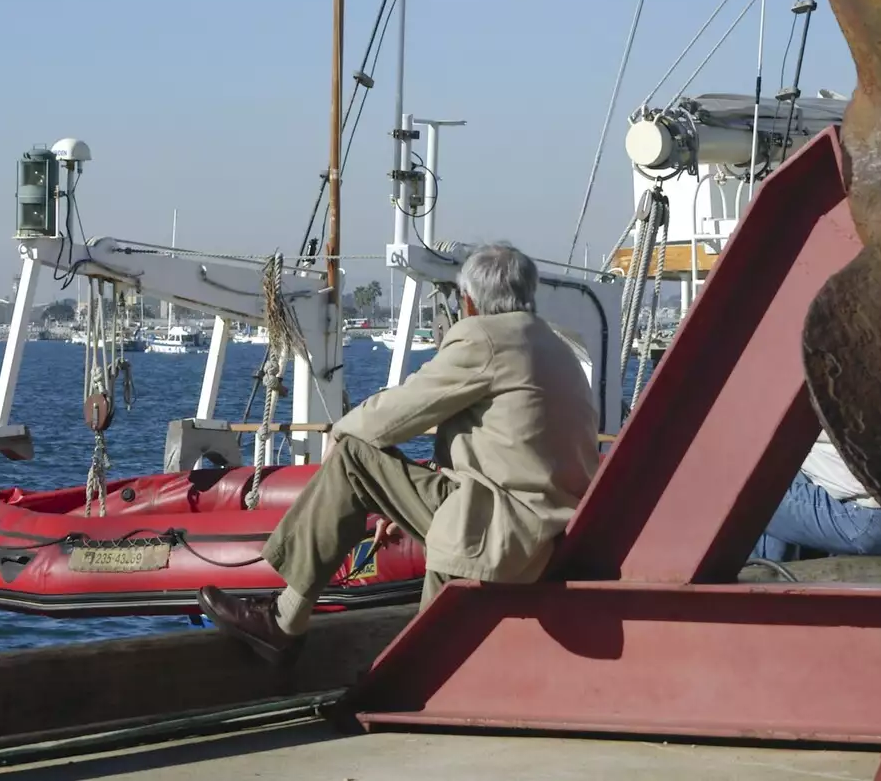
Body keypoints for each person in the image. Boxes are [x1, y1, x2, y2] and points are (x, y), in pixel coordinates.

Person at [197, 243, 600, 663]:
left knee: (353, 456)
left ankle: (282, 621)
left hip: (501, 528)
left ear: (469, 301)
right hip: (552, 533)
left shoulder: (485, 338)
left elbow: (398, 412)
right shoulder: (554, 347)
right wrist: (400, 504)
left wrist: (341, 431)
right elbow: (511, 450)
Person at [750, 430, 881, 563]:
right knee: (773, 470)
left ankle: (758, 585)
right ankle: (767, 576)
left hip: (871, 520)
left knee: (745, 494)